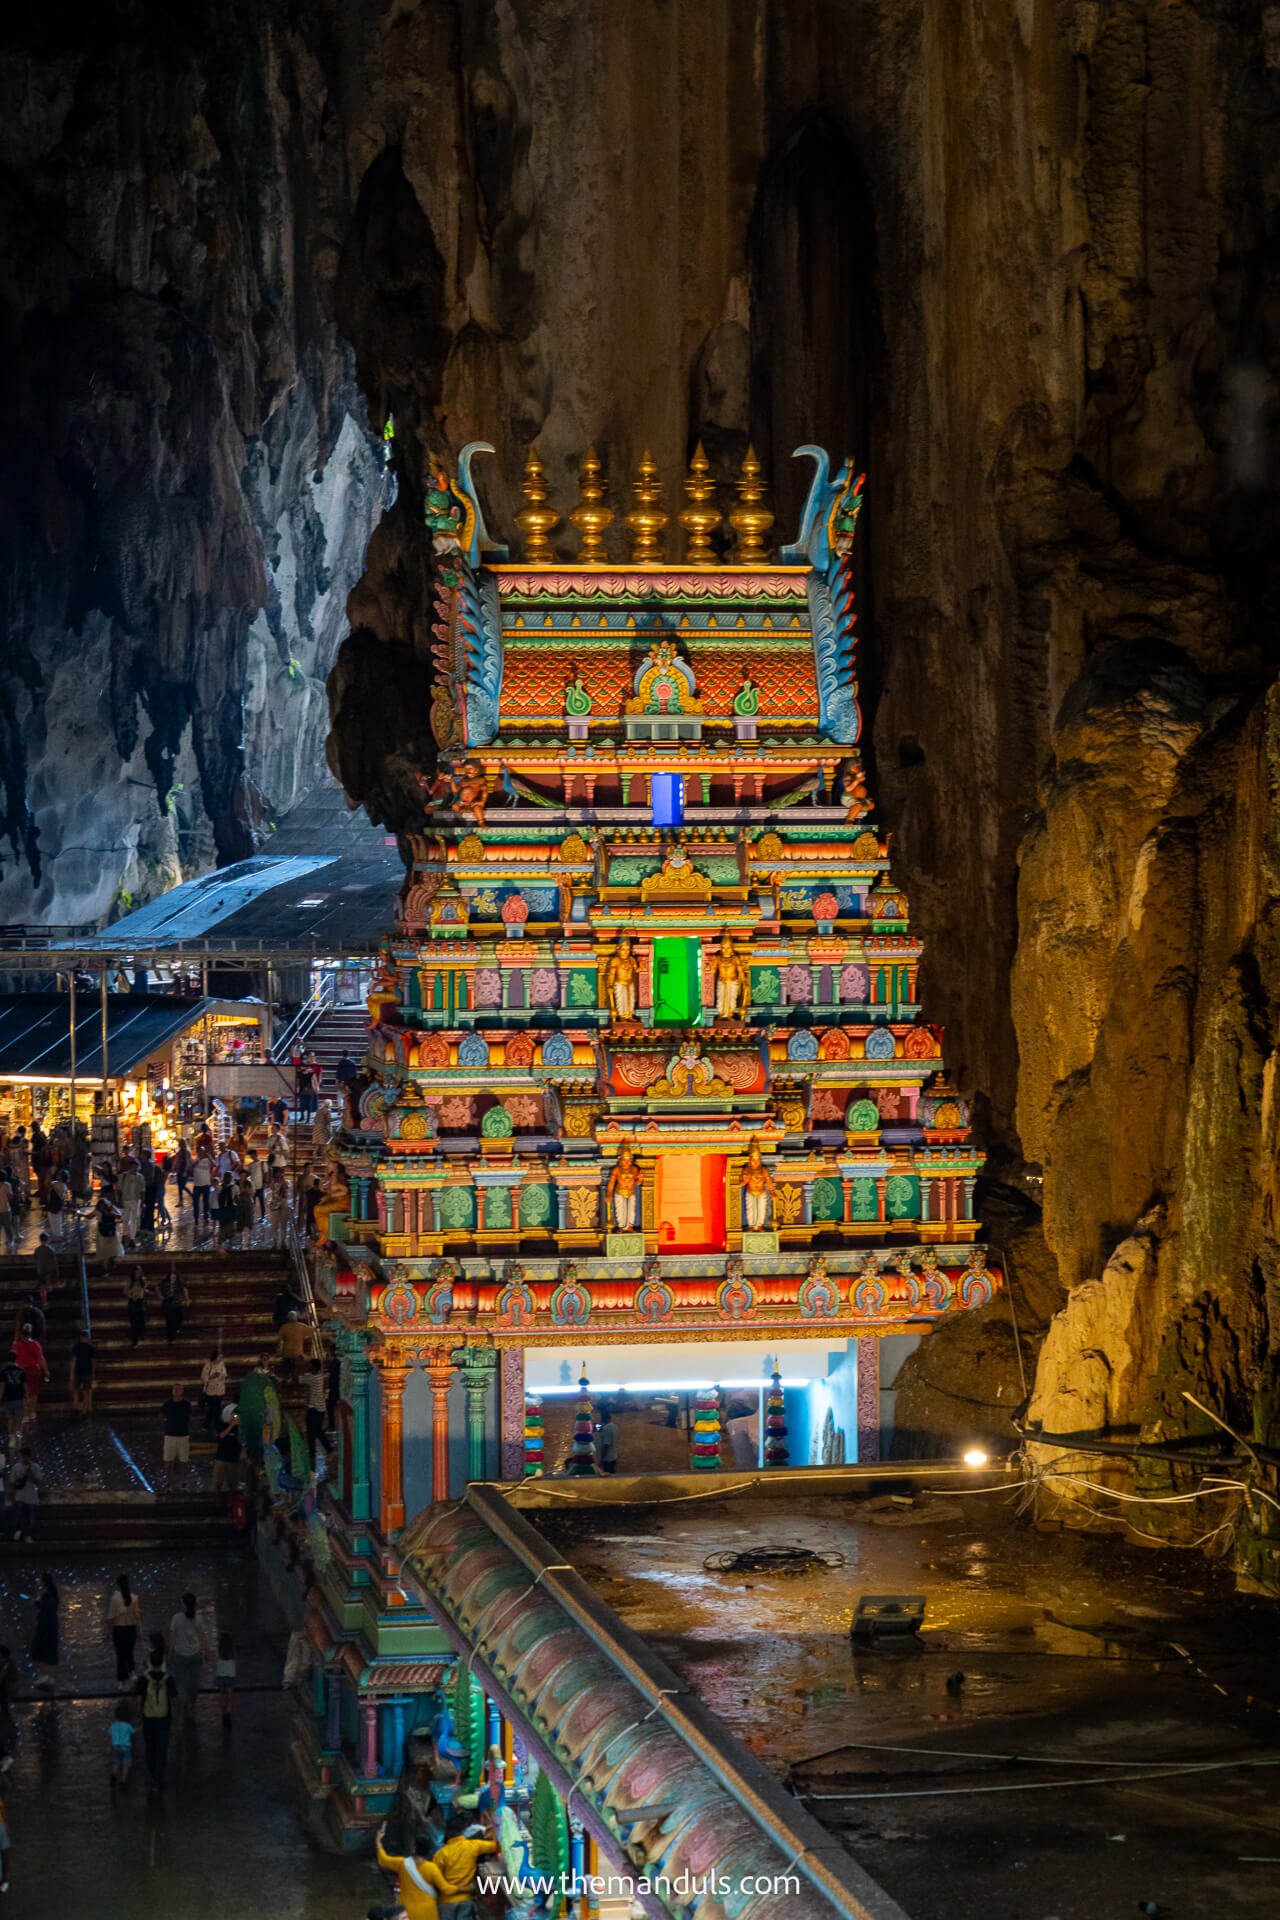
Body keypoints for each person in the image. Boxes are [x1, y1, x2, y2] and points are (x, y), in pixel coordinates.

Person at [430, 1811, 498, 1920]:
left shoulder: (440, 1854)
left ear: (448, 1832)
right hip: (466, 1900)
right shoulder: (473, 1846)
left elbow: (434, 1881)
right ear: (461, 1832)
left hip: (445, 1902)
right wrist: (493, 1830)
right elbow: (497, 1846)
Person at [376, 1823, 448, 1920]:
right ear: (429, 1851)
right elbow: (445, 1889)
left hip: (406, 1912)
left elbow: (383, 1860)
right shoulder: (432, 1868)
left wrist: (378, 1841)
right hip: (428, 1912)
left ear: (414, 1848)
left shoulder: (402, 1863)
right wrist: (467, 1888)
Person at [136, 1650, 177, 1791]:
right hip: (164, 1719)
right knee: (162, 1750)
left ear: (150, 1662)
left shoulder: (144, 1679)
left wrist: (139, 1713)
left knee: (150, 1748)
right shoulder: (169, 1679)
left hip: (148, 1719)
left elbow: (139, 1698)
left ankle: (153, 1775)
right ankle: (159, 1778)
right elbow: (173, 1697)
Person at [167, 1592, 208, 1719]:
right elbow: (203, 1638)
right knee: (194, 1681)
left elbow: (172, 1639)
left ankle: (185, 1701)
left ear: (183, 1603)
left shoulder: (177, 1618)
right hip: (195, 1654)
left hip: (180, 1655)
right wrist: (205, 1653)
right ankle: (192, 1703)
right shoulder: (199, 1618)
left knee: (181, 1680)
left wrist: (169, 1654)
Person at [107, 1574, 140, 1685]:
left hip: (119, 1630)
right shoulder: (135, 1598)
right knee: (130, 1653)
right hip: (131, 1629)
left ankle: (122, 1681)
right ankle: (133, 1673)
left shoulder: (114, 1599)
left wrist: (108, 1632)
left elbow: (111, 1617)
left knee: (120, 1656)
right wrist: (140, 1631)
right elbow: (137, 1616)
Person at [13, 1325, 49, 1427]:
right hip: (34, 1370)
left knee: (23, 1393)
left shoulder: (17, 1345)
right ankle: (33, 1412)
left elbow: (14, 1359)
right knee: (34, 1392)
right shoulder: (36, 1344)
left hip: (21, 1370)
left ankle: (25, 1414)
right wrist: (46, 1370)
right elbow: (41, 1358)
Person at [29, 1571, 59, 1689]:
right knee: (47, 1649)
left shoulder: (48, 1594)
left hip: (46, 1626)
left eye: (39, 1579)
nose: (37, 1581)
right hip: (48, 1625)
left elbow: (48, 1608)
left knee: (41, 1648)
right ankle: (48, 1676)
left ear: (44, 1582)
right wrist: (37, 1602)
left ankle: (45, 1676)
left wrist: (38, 1603)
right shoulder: (49, 1593)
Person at [161, 1385, 192, 1485]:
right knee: (168, 1460)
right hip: (170, 1435)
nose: (177, 1391)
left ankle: (182, 1480)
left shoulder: (186, 1404)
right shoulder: (167, 1404)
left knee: (183, 1460)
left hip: (183, 1435)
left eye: (179, 1389)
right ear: (172, 1391)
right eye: (175, 1389)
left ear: (182, 1391)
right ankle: (168, 1481)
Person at [10, 1449, 42, 1543]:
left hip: (31, 1497)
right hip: (20, 1496)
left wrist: (31, 1475)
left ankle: (27, 1535)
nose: (23, 1459)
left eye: (25, 1457)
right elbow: (12, 1481)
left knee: (29, 1518)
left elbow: (38, 1481)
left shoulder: (35, 1467)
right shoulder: (16, 1467)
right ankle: (19, 1535)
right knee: (19, 1517)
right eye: (22, 1457)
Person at [212, 1407, 241, 1509]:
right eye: (233, 1414)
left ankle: (230, 1504)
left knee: (232, 1484)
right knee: (218, 1483)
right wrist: (232, 1425)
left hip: (233, 1458)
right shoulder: (222, 1425)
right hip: (221, 1457)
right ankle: (218, 1503)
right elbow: (222, 1435)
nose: (235, 1416)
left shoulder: (239, 1427)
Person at [302, 1360, 327, 1464]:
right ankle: (315, 1452)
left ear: (314, 1368)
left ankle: (323, 1450)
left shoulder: (312, 1378)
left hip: (314, 1409)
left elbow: (298, 1379)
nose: (308, 1367)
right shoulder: (319, 1376)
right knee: (315, 1431)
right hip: (320, 1408)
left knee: (314, 1431)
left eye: (310, 1366)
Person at [199, 1349, 227, 1434]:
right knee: (214, 1409)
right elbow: (203, 1377)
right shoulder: (208, 1365)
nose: (221, 1358)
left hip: (220, 1390)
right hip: (210, 1391)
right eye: (220, 1357)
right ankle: (215, 1426)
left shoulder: (222, 1365)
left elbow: (225, 1374)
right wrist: (212, 1377)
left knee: (215, 1409)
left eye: (222, 1357)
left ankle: (208, 1425)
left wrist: (220, 1375)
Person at [0, 1353, 25, 1446]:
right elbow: (24, 1386)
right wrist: (25, 1398)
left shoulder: (3, 1371)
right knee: (19, 1419)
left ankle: (12, 1439)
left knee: (10, 1419)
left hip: (8, 1397)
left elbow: (1, 1386)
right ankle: (19, 1438)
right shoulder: (21, 1371)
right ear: (16, 1359)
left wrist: (1, 1399)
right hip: (19, 1397)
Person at [70, 1327, 96, 1415]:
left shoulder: (76, 1347)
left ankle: (75, 1408)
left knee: (76, 1391)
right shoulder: (91, 1348)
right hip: (87, 1372)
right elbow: (93, 1362)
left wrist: (72, 1373)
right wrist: (93, 1372)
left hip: (78, 1371)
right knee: (86, 1392)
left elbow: (74, 1360)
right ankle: (84, 1410)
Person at [117, 1160, 143, 1248]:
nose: (134, 1169)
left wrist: (143, 1201)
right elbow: (119, 1189)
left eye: (135, 1167)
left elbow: (142, 1190)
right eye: (133, 1167)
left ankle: (131, 1238)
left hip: (135, 1200)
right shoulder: (124, 1176)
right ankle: (125, 1236)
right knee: (126, 1219)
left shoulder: (140, 1177)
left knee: (133, 1220)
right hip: (126, 1200)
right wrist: (119, 1200)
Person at [277, 1310, 308, 1381]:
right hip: (296, 1353)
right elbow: (309, 1333)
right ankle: (294, 1383)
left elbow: (279, 1339)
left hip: (287, 1353)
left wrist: (279, 1350)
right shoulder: (301, 1326)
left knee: (287, 1370)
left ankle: (287, 1383)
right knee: (295, 1370)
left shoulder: (284, 1327)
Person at [215, 1630, 236, 1731]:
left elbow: (215, 1664)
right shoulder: (232, 1656)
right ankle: (228, 1712)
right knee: (230, 1696)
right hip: (230, 1676)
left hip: (220, 1676)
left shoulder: (219, 1655)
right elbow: (235, 1666)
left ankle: (223, 1713)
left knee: (222, 1695)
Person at [109, 1704, 134, 1789]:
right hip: (126, 1748)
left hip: (116, 1747)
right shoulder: (127, 1725)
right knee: (125, 1765)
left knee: (116, 1762)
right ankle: (123, 1781)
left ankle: (113, 1775)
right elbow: (133, 1732)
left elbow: (110, 1735)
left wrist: (110, 1746)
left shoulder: (113, 1725)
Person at [161, 1266, 188, 1342]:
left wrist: (187, 1299)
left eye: (174, 1275)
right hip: (168, 1304)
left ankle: (176, 1329)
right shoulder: (165, 1282)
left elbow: (184, 1289)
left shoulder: (179, 1282)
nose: (173, 1277)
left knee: (179, 1318)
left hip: (177, 1304)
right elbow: (158, 1288)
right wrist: (161, 1296)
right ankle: (170, 1337)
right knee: (169, 1322)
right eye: (172, 1275)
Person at [124, 1266, 149, 1346]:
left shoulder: (143, 1280)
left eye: (139, 1272)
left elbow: (144, 1289)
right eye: (136, 1272)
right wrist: (131, 1296)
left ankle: (141, 1334)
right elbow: (125, 1291)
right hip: (133, 1302)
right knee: (134, 1323)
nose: (138, 1274)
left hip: (141, 1302)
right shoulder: (130, 1280)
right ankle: (135, 1340)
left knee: (142, 1321)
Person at [191, 1147, 214, 1228]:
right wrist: (199, 1159)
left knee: (206, 1203)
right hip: (197, 1185)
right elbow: (193, 1166)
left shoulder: (207, 1161)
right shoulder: (194, 1160)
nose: (202, 1153)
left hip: (206, 1185)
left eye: (203, 1152)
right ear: (198, 1152)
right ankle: (196, 1218)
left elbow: (214, 1165)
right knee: (196, 1203)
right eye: (200, 1151)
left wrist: (210, 1157)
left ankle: (206, 1217)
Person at [215, 1173, 237, 1246]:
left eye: (229, 1177)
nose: (228, 1179)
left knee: (230, 1224)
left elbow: (236, 1198)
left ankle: (229, 1239)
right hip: (223, 1208)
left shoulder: (234, 1188)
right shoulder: (220, 1187)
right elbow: (217, 1197)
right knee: (223, 1224)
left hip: (230, 1208)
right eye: (226, 1177)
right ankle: (222, 1239)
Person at [597, 1411, 620, 1475]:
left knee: (608, 1476)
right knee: (612, 1474)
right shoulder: (615, 1426)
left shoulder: (606, 1429)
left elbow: (606, 1445)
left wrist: (601, 1459)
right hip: (613, 1456)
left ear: (602, 1419)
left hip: (607, 1459)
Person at [245, 1149, 266, 1219]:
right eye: (250, 1155)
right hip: (252, 1187)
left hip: (260, 1186)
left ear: (256, 1155)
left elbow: (265, 1174)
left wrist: (265, 1183)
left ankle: (263, 1216)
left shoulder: (262, 1163)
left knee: (262, 1202)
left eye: (252, 1155)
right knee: (252, 1203)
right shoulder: (250, 1165)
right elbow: (248, 1174)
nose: (251, 1156)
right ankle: (251, 1216)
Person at [235, 1176, 255, 1246]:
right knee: (240, 1221)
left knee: (249, 1222)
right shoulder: (236, 1184)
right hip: (240, 1205)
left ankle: (249, 1239)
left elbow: (252, 1193)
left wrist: (246, 1191)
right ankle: (241, 1239)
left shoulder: (249, 1183)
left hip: (248, 1204)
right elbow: (236, 1195)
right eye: (241, 1175)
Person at [173, 1140, 191, 1210]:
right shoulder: (180, 1151)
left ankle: (192, 1196)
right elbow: (177, 1160)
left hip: (183, 1170)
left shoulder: (185, 1152)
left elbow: (187, 1161)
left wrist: (186, 1170)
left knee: (182, 1186)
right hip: (180, 1170)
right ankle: (181, 1201)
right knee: (180, 1187)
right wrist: (175, 1167)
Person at [0, 1174, 15, 1251]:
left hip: (5, 1209)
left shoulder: (6, 1185)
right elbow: (10, 1196)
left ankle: (9, 1241)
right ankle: (10, 1242)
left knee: (6, 1227)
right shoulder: (7, 1185)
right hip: (6, 1209)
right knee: (7, 1227)